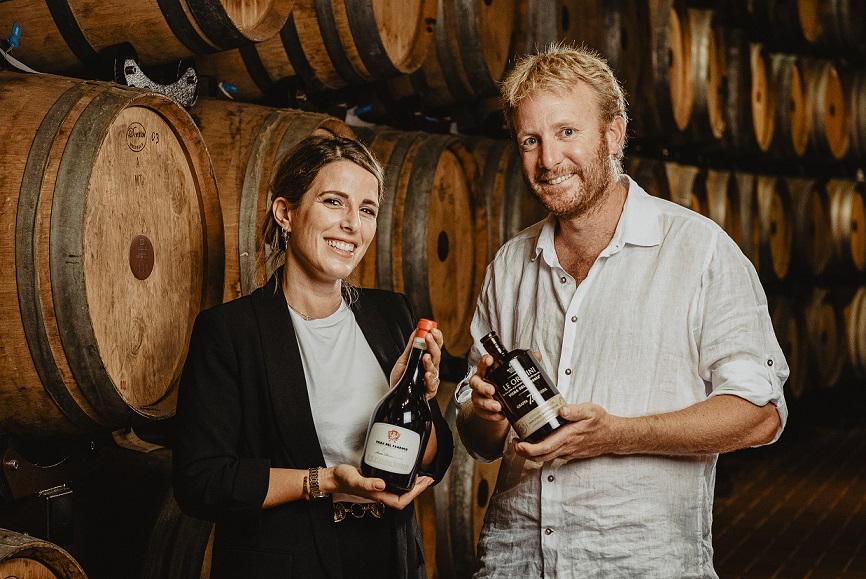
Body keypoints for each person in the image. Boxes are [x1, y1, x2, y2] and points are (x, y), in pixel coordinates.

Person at [454, 44, 788, 578]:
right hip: (515, 563)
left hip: (641, 564)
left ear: (612, 135)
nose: (547, 160)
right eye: (530, 140)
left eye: (567, 132)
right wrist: (485, 415)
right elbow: (478, 441)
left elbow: (760, 414)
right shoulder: (510, 264)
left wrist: (620, 434)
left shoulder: (697, 250)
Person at [173, 135, 454, 579]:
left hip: (389, 558)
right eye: (333, 202)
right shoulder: (231, 331)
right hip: (289, 563)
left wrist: (417, 399)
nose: (352, 225)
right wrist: (324, 481)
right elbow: (201, 482)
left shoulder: (391, 314)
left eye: (366, 210)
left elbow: (432, 455)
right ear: (285, 213)